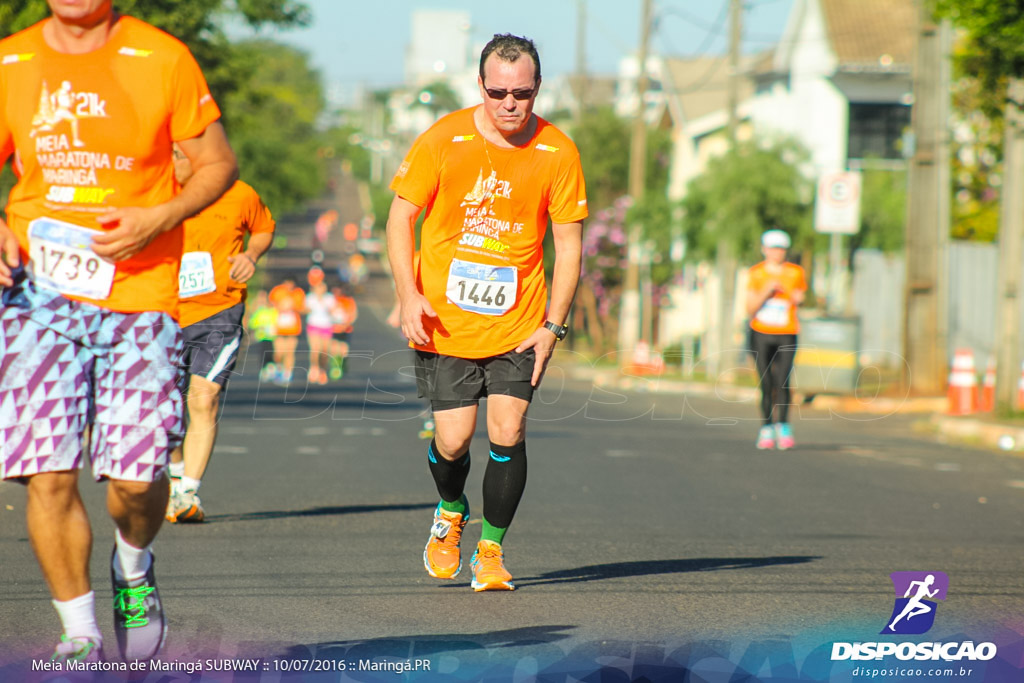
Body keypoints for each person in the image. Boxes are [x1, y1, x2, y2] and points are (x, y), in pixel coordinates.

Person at [0, 0, 236, 663]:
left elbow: (217, 163)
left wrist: (160, 217)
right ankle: (80, 632)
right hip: (37, 294)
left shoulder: (161, 58)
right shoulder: (10, 60)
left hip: (140, 293)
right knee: (46, 472)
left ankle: (133, 564)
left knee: (134, 477)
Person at [387, 33, 586, 592]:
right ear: (480, 86)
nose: (509, 104)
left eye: (521, 92)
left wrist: (552, 326)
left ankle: (492, 550)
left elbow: (568, 245)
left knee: (509, 428)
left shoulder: (557, 152)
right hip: (445, 323)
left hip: (520, 323)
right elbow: (400, 218)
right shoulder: (443, 138)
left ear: (537, 88)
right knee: (452, 441)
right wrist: (408, 294)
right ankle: (451, 510)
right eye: (497, 91)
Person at [165, 151, 275, 523]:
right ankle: (175, 480)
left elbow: (263, 227)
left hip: (219, 313)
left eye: (180, 153)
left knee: (204, 398)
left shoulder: (238, 193)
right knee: (163, 409)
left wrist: (252, 254)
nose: (173, 159)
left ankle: (187, 493)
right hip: (161, 313)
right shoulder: (152, 191)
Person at [745, 229, 807, 450]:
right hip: (761, 332)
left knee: (783, 380)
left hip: (786, 332)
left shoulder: (795, 273)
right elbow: (749, 308)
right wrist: (767, 291)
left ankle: (783, 426)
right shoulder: (756, 273)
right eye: (772, 248)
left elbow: (800, 298)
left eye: (780, 249)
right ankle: (766, 427)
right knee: (766, 381)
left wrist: (792, 295)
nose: (776, 253)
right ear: (764, 250)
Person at [268, 278, 304, 385]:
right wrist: (280, 306)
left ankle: (288, 373)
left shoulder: (298, 293)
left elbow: (302, 307)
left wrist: (292, 306)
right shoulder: (277, 291)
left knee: (290, 352)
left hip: (293, 328)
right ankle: (279, 368)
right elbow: (270, 304)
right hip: (279, 327)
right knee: (279, 352)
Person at [304, 266, 336, 385]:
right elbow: (305, 309)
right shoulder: (310, 298)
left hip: (326, 325)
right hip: (314, 325)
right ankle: (314, 368)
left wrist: (324, 303)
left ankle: (323, 369)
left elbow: (333, 311)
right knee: (315, 349)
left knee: (324, 351)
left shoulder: (329, 298)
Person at [247, 290, 279, 381]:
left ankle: (272, 368)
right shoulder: (259, 311)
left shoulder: (273, 310)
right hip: (262, 336)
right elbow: (253, 323)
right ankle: (264, 369)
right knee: (263, 353)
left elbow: (277, 321)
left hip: (272, 337)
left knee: (272, 352)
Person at [328, 284, 358, 380]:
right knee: (334, 348)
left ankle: (342, 364)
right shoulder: (331, 300)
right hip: (333, 328)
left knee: (344, 349)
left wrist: (346, 324)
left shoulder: (348, 301)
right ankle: (335, 367)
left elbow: (353, 314)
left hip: (345, 329)